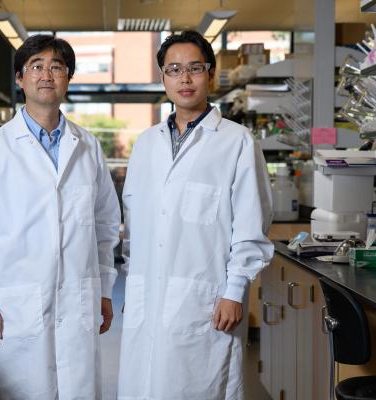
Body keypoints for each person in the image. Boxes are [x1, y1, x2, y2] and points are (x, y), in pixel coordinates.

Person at [0, 34, 120, 399]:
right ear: (20, 78)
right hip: (16, 306)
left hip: (78, 299)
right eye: (37, 66)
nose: (47, 75)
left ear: (68, 78)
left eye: (57, 67)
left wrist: (105, 290)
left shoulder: (88, 147)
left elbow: (106, 227)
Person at [117, 31, 274, 400]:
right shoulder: (146, 144)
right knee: (145, 386)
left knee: (198, 388)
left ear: (211, 74)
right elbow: (135, 223)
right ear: (162, 78)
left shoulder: (236, 142)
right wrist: (134, 279)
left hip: (207, 300)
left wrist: (235, 291)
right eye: (174, 69)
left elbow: (251, 224)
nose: (184, 79)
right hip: (148, 293)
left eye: (194, 69)